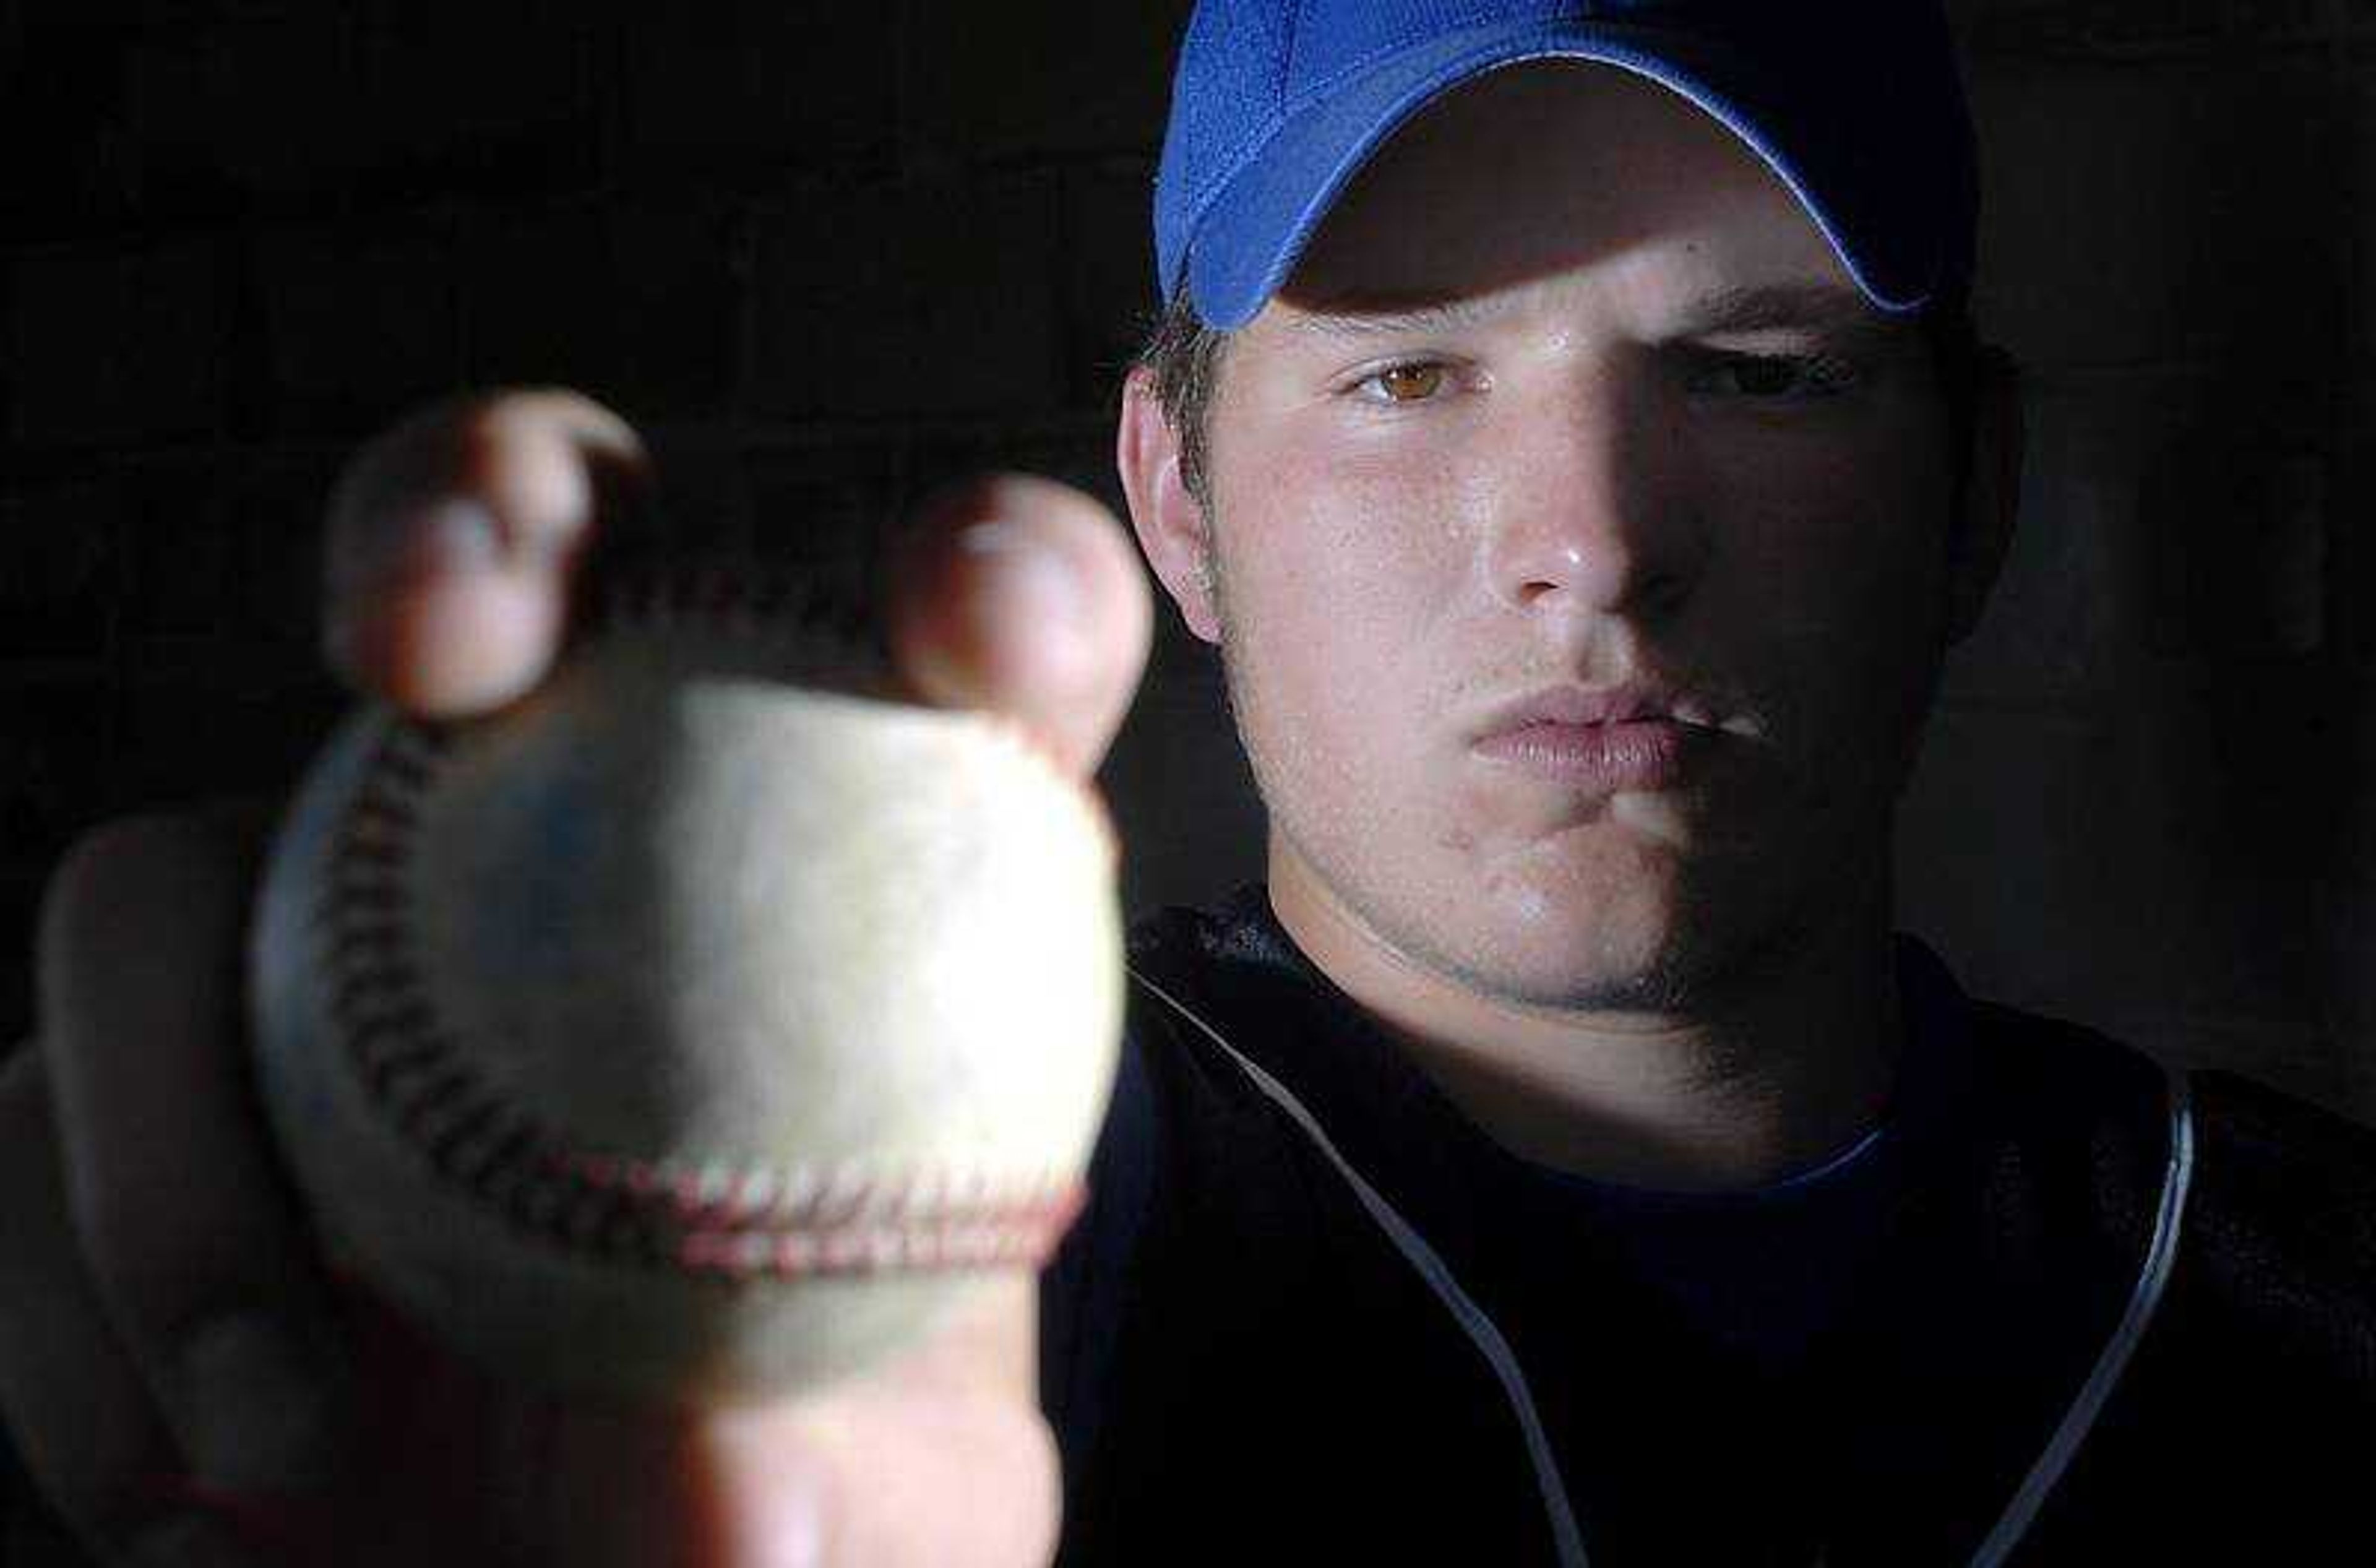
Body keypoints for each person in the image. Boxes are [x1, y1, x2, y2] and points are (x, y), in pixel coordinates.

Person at [4, 1, 2372, 1564]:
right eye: (1402, 377)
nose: (1593, 548)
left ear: (1973, 496)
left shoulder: (2308, 1289)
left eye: (1757, 373)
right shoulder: (868, 1270)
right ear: (1174, 496)